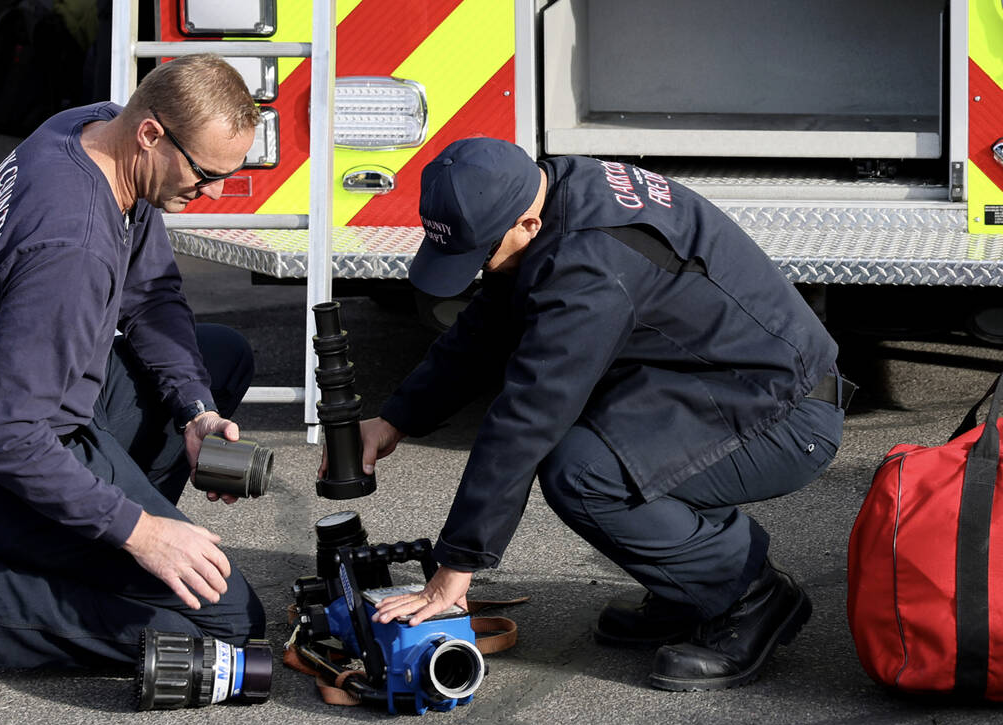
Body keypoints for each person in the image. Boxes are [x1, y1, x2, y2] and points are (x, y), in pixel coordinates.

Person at [359, 137, 851, 691]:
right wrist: (396, 416)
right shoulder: (553, 191)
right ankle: (687, 587)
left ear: (525, 225)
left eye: (480, 257)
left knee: (584, 472)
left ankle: (748, 593)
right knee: (589, 448)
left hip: (786, 416)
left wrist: (453, 571)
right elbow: (489, 326)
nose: (474, 273)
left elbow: (527, 419)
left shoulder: (590, 267)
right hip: (722, 384)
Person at [0, 54, 266, 702]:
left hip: (5, 407)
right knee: (229, 622)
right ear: (151, 134)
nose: (213, 193)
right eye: (205, 176)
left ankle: (93, 551)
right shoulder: (73, 246)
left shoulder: (88, 131)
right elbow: (5, 439)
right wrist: (139, 531)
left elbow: (150, 296)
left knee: (220, 355)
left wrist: (196, 413)